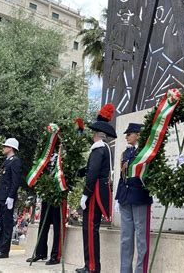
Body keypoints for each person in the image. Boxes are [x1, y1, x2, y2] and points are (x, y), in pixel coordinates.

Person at [76, 104, 117, 273]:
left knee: (90, 229)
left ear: (97, 135)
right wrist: (84, 170)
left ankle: (92, 267)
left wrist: (85, 193)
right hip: (99, 190)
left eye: (93, 133)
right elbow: (95, 169)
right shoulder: (103, 148)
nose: (91, 135)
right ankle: (90, 265)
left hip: (94, 193)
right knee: (90, 228)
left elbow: (93, 173)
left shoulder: (99, 148)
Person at [115, 123, 152, 273]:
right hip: (125, 198)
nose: (126, 136)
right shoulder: (125, 153)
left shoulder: (144, 152)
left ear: (137, 134)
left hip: (140, 198)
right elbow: (122, 177)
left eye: (129, 134)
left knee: (141, 239)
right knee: (125, 239)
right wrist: (118, 197)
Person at [26, 156, 67, 266]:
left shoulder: (64, 154)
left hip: (59, 194)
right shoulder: (48, 154)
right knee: (43, 225)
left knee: (58, 226)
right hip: (47, 194)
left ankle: (55, 255)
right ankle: (40, 252)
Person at [0, 138, 22, 259]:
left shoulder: (15, 161)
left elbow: (15, 180)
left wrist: (11, 196)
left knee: (7, 225)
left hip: (7, 197)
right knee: (2, 223)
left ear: (11, 148)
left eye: (5, 146)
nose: (3, 148)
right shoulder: (6, 161)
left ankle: (4, 251)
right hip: (1, 197)